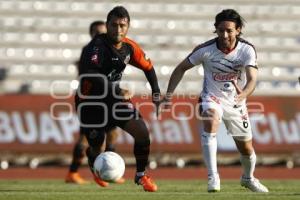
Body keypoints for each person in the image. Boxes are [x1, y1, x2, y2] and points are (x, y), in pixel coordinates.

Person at [162, 9, 269, 193]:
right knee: (211, 120)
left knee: (246, 148)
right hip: (211, 98)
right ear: (216, 30)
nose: (225, 35)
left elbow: (252, 79)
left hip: (236, 102)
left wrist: (243, 94)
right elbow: (180, 68)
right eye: (221, 30)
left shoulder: (246, 50)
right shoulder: (206, 50)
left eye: (229, 30)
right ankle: (213, 177)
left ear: (238, 30)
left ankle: (248, 178)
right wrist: (169, 95)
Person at [75, 6, 160, 192]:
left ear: (128, 26)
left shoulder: (129, 47)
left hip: (114, 101)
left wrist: (156, 93)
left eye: (123, 25)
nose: (118, 29)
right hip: (90, 102)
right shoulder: (97, 46)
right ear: (107, 26)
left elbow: (148, 67)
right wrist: (117, 90)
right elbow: (90, 74)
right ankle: (93, 159)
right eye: (114, 25)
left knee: (143, 134)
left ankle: (141, 175)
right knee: (97, 145)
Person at [65, 20, 124, 184]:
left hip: (108, 97)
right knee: (86, 137)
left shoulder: (110, 49)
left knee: (112, 133)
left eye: (102, 32)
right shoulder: (89, 50)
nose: (100, 35)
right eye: (97, 32)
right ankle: (74, 172)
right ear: (91, 34)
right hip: (92, 99)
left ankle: (109, 171)